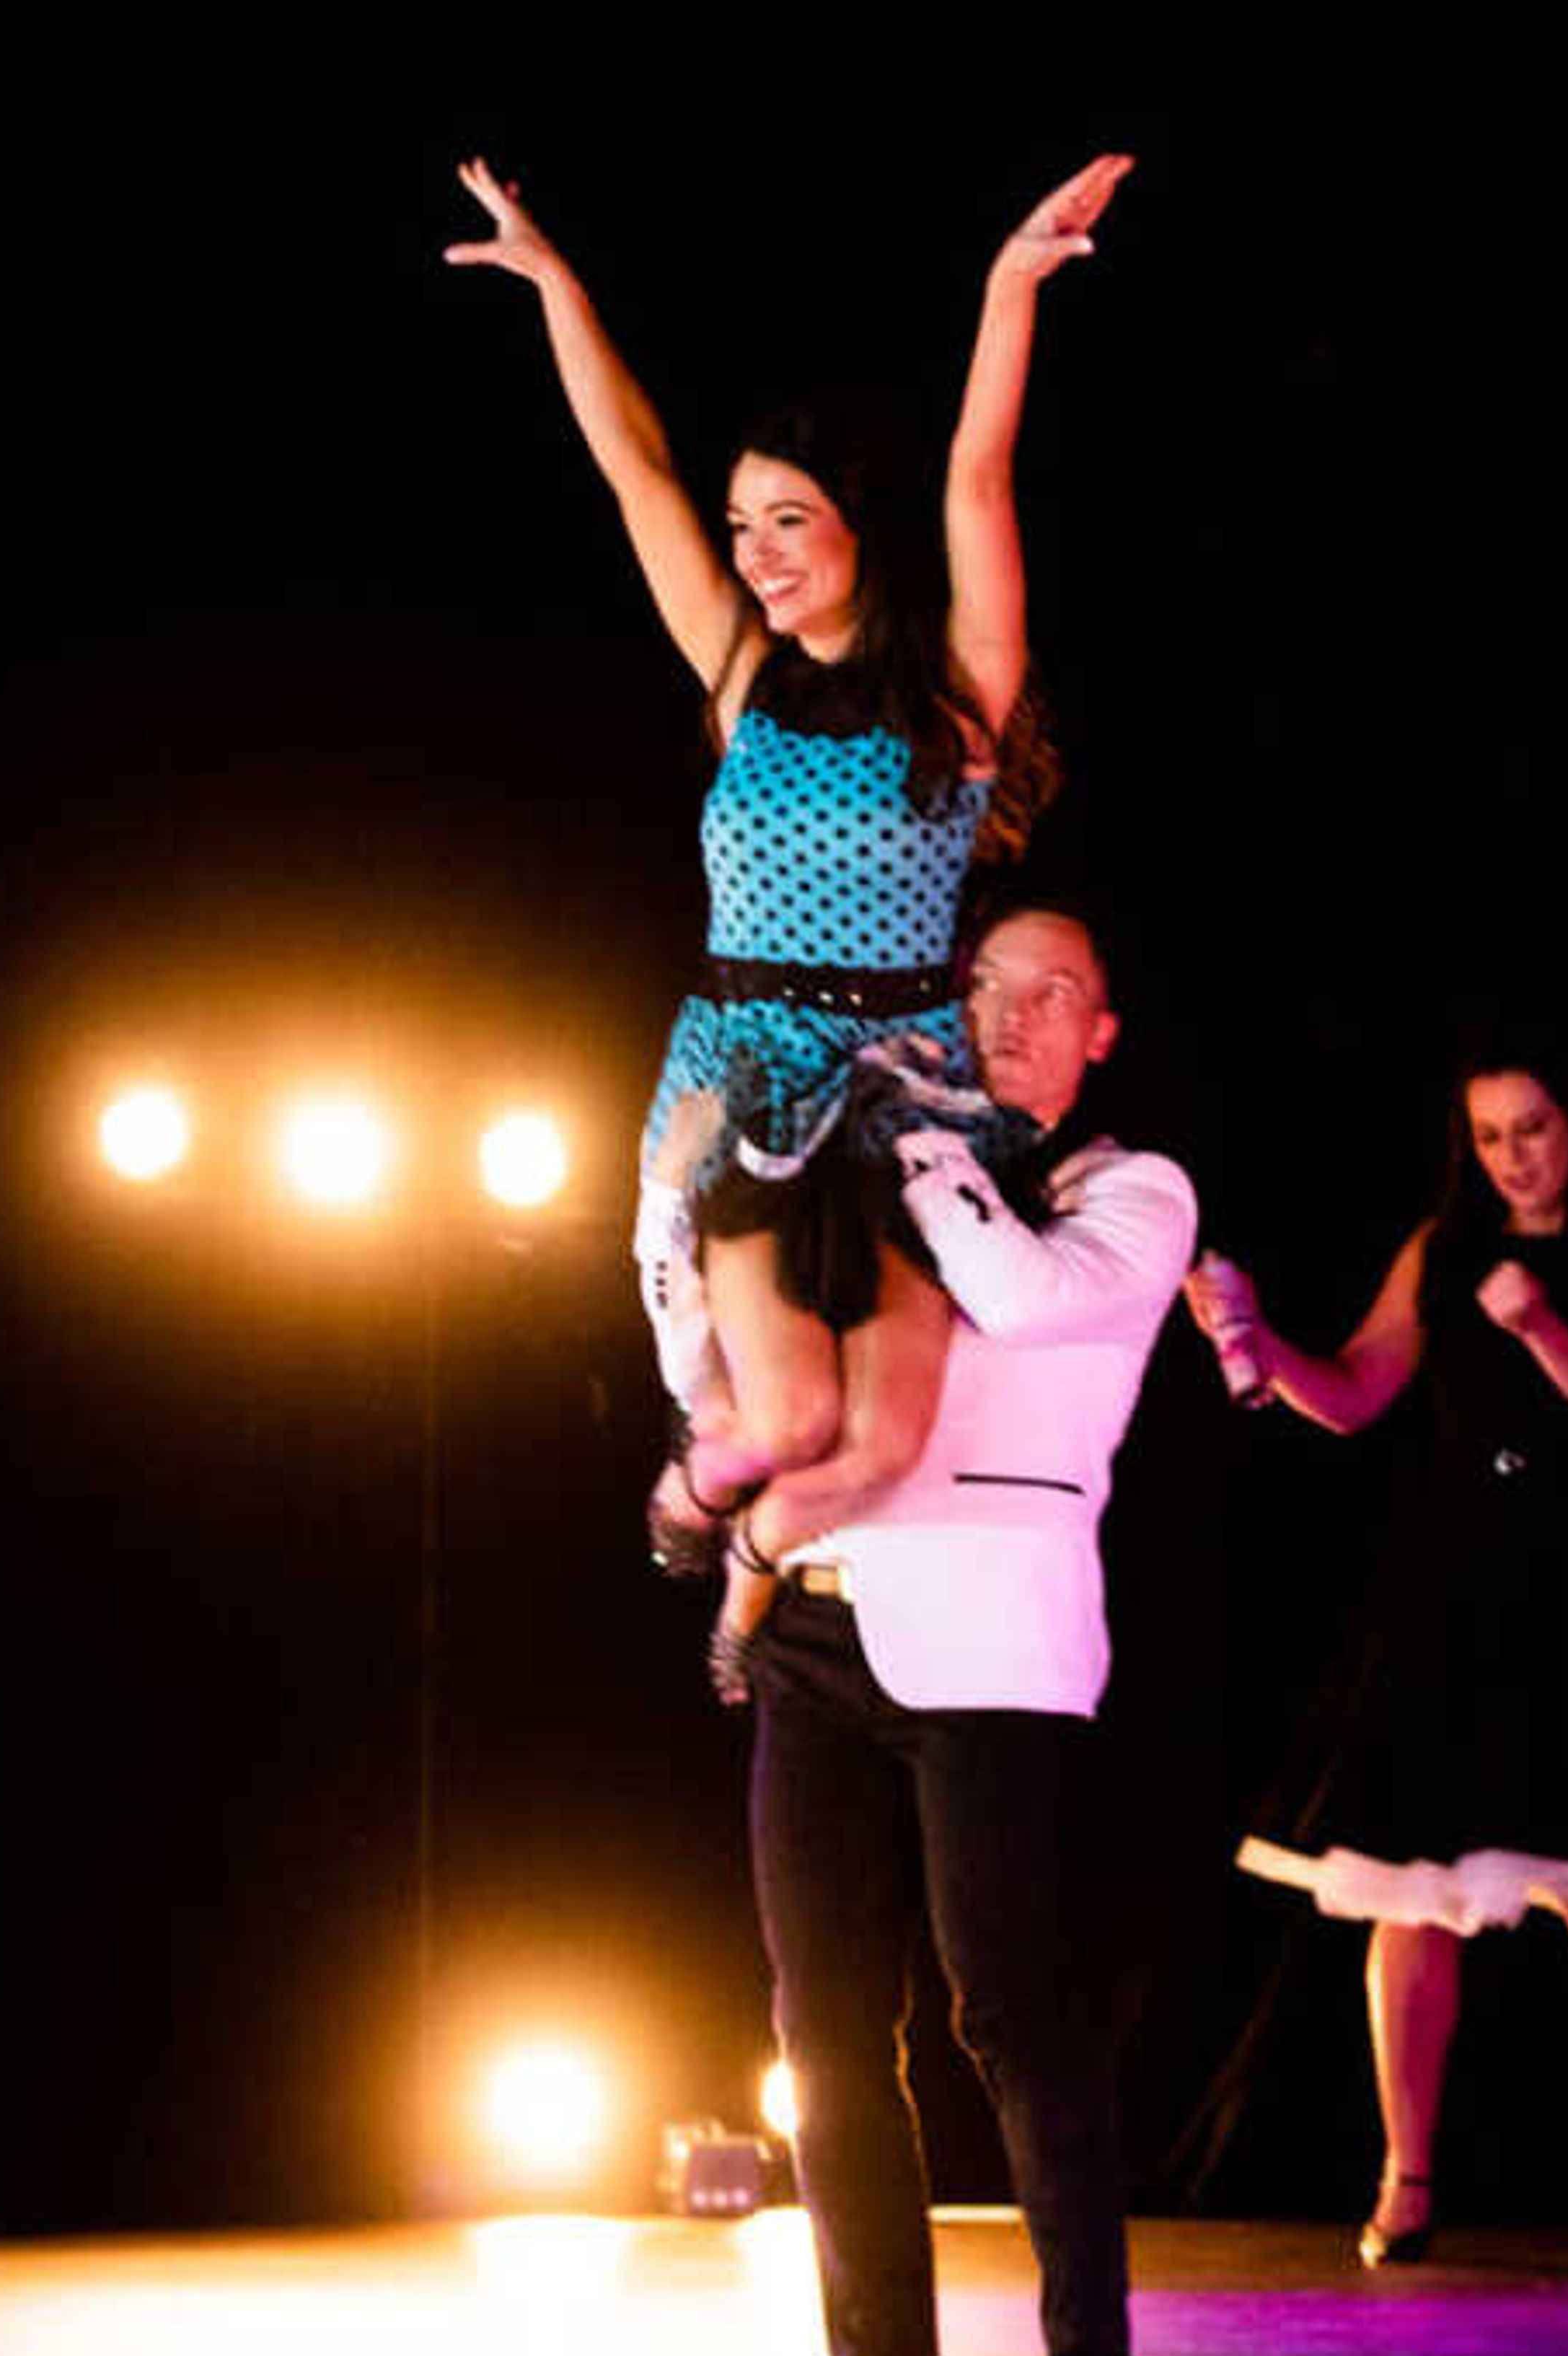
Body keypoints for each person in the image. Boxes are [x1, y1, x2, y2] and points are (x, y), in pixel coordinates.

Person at [444, 142, 1132, 1657]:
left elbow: (979, 474)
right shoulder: (741, 681)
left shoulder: (958, 704)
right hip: (752, 1079)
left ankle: (750, 1561)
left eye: (787, 525)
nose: (752, 555)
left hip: (906, 1096)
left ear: (856, 532)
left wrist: (1011, 283)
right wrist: (556, 283)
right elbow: (634, 466)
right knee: (788, 1413)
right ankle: (697, 1500)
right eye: (744, 523)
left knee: (883, 1441)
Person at [731, 906, 1197, 2356]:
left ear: (1102, 1028)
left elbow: (1015, 1297)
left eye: (1054, 988)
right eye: (989, 982)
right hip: (824, 1621)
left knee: (1009, 2009)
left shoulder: (1132, 1193)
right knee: (826, 2021)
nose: (1012, 1011)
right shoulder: (880, 1165)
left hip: (993, 1644)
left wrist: (922, 1146)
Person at [1187, 1053, 1568, 2261]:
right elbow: (1356, 1393)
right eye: (1489, 1136)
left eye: (1532, 1128)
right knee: (1410, 1886)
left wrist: (1537, 1320)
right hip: (1448, 1587)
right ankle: (1408, 2178)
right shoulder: (1441, 1249)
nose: (1513, 1157)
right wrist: (1259, 1342)